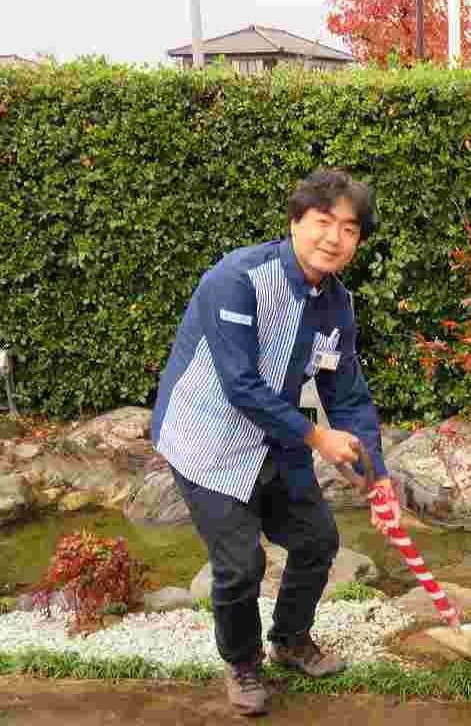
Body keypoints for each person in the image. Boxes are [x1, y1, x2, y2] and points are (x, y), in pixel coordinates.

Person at [151, 169, 400, 716]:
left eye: (350, 229)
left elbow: (347, 393)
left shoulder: (337, 304)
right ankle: (242, 664)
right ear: (295, 222)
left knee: (316, 540)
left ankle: (290, 640)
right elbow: (241, 384)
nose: (334, 238)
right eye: (323, 222)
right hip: (208, 441)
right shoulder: (236, 279)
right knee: (240, 566)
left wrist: (377, 475)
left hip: (276, 438)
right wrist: (316, 438)